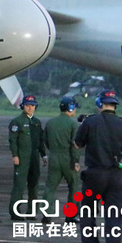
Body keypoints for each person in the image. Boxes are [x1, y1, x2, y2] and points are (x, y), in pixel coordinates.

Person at [74, 90, 122, 243]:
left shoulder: (90, 122)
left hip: (94, 174)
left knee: (87, 215)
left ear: (100, 104)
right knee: (114, 216)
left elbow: (78, 144)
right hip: (115, 175)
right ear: (115, 105)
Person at [41, 95, 81, 224]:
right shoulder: (74, 124)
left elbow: (45, 140)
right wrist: (75, 161)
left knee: (50, 187)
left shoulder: (51, 122)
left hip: (54, 157)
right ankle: (71, 215)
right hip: (68, 158)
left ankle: (46, 214)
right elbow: (75, 145)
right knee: (74, 186)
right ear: (70, 108)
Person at [8, 94, 46, 220]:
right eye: (27, 105)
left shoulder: (37, 122)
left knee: (34, 184)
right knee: (19, 185)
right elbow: (13, 140)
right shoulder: (17, 122)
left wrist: (44, 155)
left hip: (34, 157)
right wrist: (15, 155)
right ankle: (15, 212)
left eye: (32, 106)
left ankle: (32, 211)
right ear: (23, 106)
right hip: (22, 157)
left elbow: (41, 140)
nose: (30, 108)